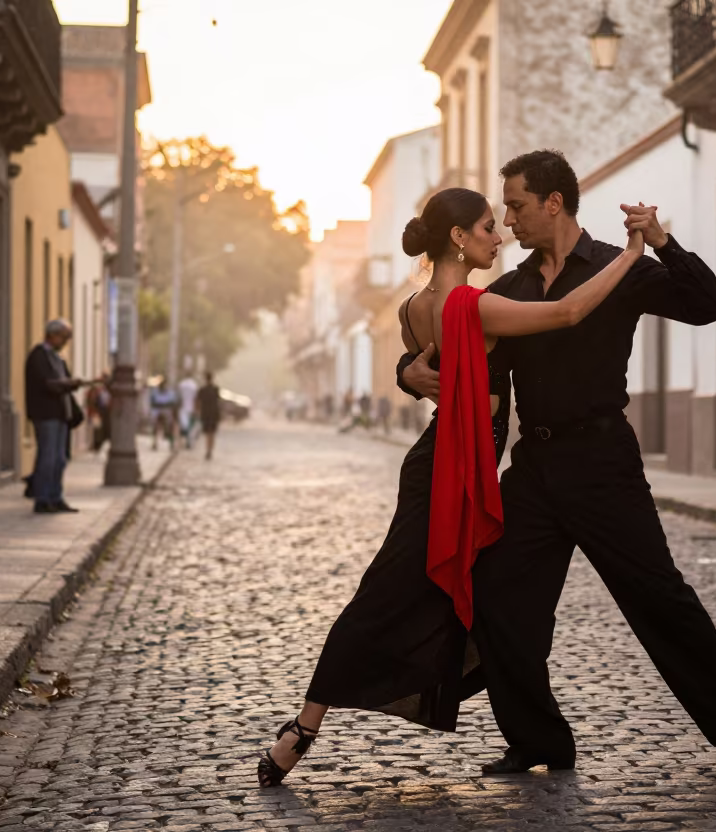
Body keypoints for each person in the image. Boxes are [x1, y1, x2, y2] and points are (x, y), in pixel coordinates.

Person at [398, 150, 716, 778]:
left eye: (517, 206)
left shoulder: (615, 267)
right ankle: (539, 740)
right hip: (537, 466)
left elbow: (706, 303)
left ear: (553, 202)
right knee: (497, 597)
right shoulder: (512, 290)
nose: (510, 221)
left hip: (604, 462)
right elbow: (459, 365)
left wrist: (662, 241)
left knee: (662, 600)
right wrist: (407, 375)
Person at [257, 187, 647, 787]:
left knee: (479, 592)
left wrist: (407, 376)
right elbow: (568, 312)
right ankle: (303, 729)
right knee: (385, 593)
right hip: (451, 469)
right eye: (490, 227)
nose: (501, 235)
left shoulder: (412, 306)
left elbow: (424, 370)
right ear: (459, 239)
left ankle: (532, 730)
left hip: (444, 461)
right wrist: (629, 255)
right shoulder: (471, 305)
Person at [24, 319, 83, 514]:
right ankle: (42, 498)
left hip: (61, 414)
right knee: (47, 457)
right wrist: (68, 384)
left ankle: (56, 496)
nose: (65, 342)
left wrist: (71, 383)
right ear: (52, 335)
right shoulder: (38, 356)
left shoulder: (58, 359)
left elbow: (64, 381)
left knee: (60, 458)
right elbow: (47, 384)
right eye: (63, 337)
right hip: (45, 414)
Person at [149, 377, 179, 451]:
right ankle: (154, 442)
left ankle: (171, 444)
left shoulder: (170, 393)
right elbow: (152, 403)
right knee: (155, 426)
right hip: (157, 413)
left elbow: (173, 403)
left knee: (170, 427)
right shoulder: (155, 392)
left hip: (167, 413)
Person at [197, 372, 222, 461]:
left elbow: (198, 402)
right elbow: (219, 402)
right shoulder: (216, 389)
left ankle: (208, 449)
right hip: (214, 414)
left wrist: (198, 412)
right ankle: (210, 449)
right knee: (212, 433)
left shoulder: (202, 390)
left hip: (205, 414)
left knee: (208, 433)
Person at [178, 373, 199, 450]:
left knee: (184, 426)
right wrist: (196, 409)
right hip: (191, 408)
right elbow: (195, 399)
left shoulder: (181, 384)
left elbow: (179, 397)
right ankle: (188, 441)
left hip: (183, 408)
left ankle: (186, 441)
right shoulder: (194, 385)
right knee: (189, 427)